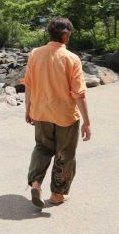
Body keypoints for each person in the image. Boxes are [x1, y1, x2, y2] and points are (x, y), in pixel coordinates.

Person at [21, 17, 91, 208]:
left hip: (41, 112)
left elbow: (28, 84)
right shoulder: (71, 58)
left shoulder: (35, 54)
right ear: (65, 35)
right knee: (65, 153)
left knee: (42, 148)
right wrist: (87, 122)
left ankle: (36, 183)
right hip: (65, 116)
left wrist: (28, 109)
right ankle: (57, 194)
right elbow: (79, 93)